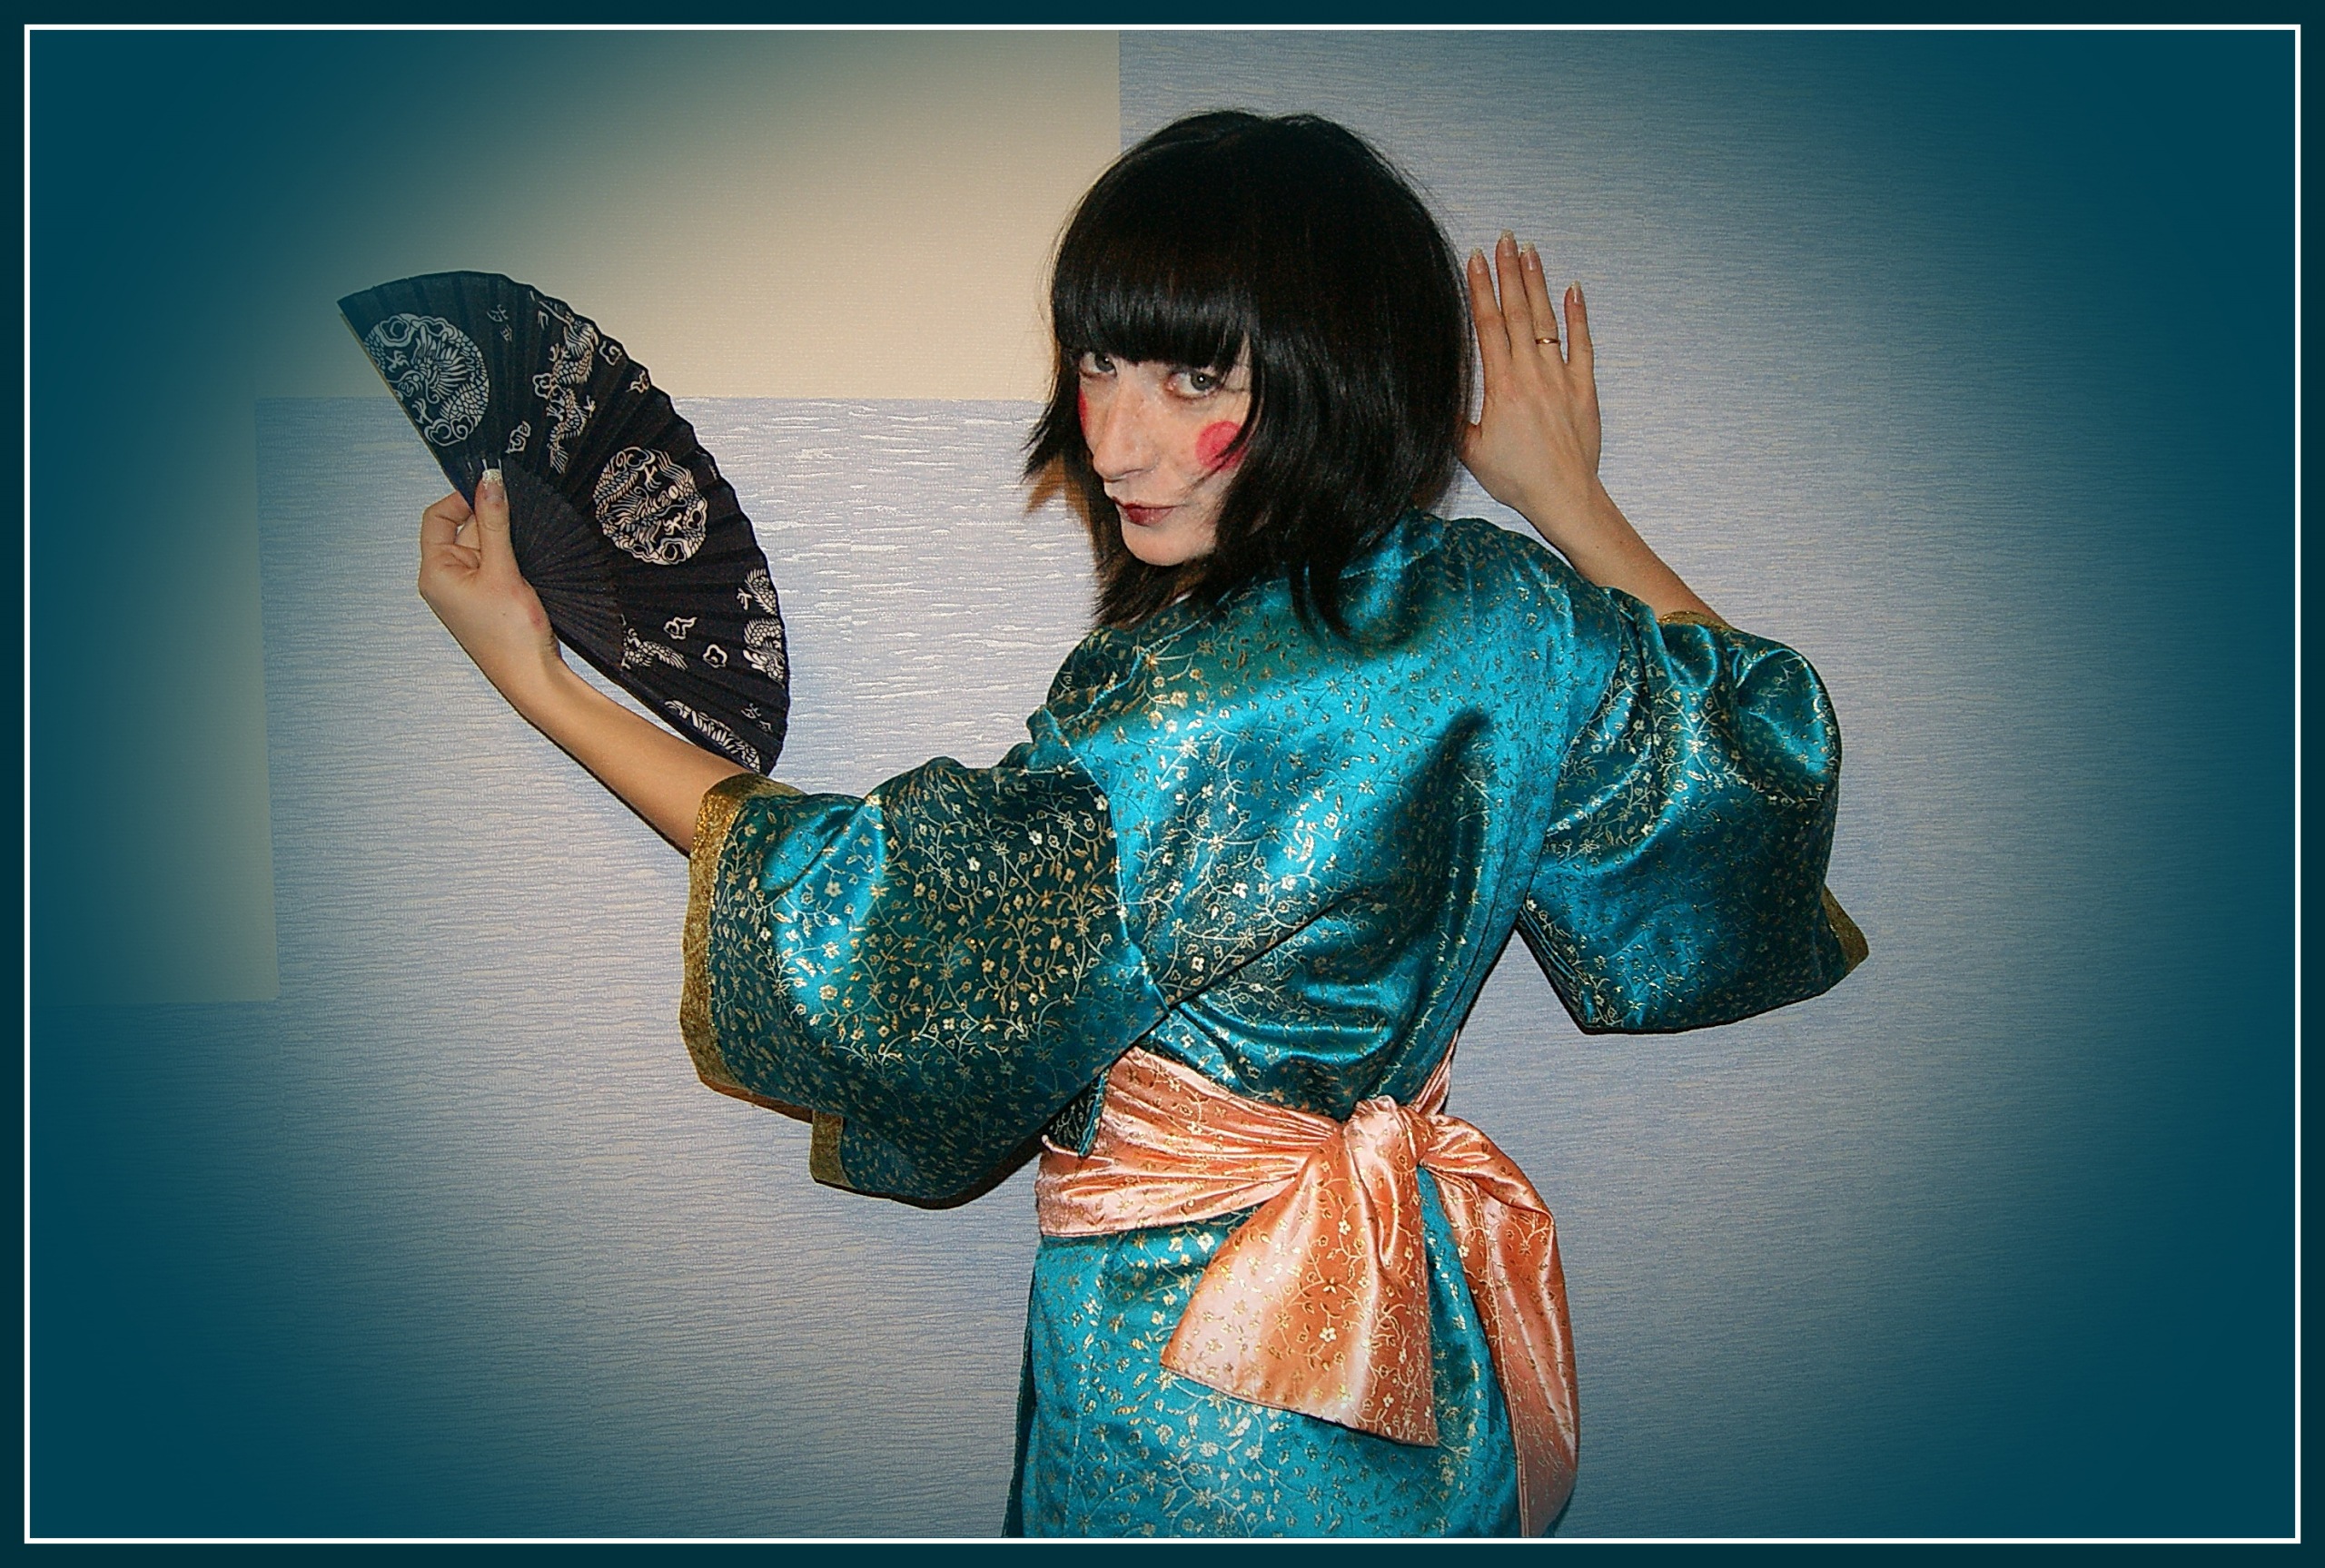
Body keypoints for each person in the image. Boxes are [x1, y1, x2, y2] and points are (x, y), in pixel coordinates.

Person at [414, 111, 1865, 1537]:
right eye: (1099, 363)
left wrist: (545, 684)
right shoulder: (1506, 613)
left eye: (1192, 378)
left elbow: (887, 925)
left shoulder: (1186, 708)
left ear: (1332, 377)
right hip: (1418, 1349)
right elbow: (1759, 752)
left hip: (1199, 1383)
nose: (1113, 441)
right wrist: (1567, 502)